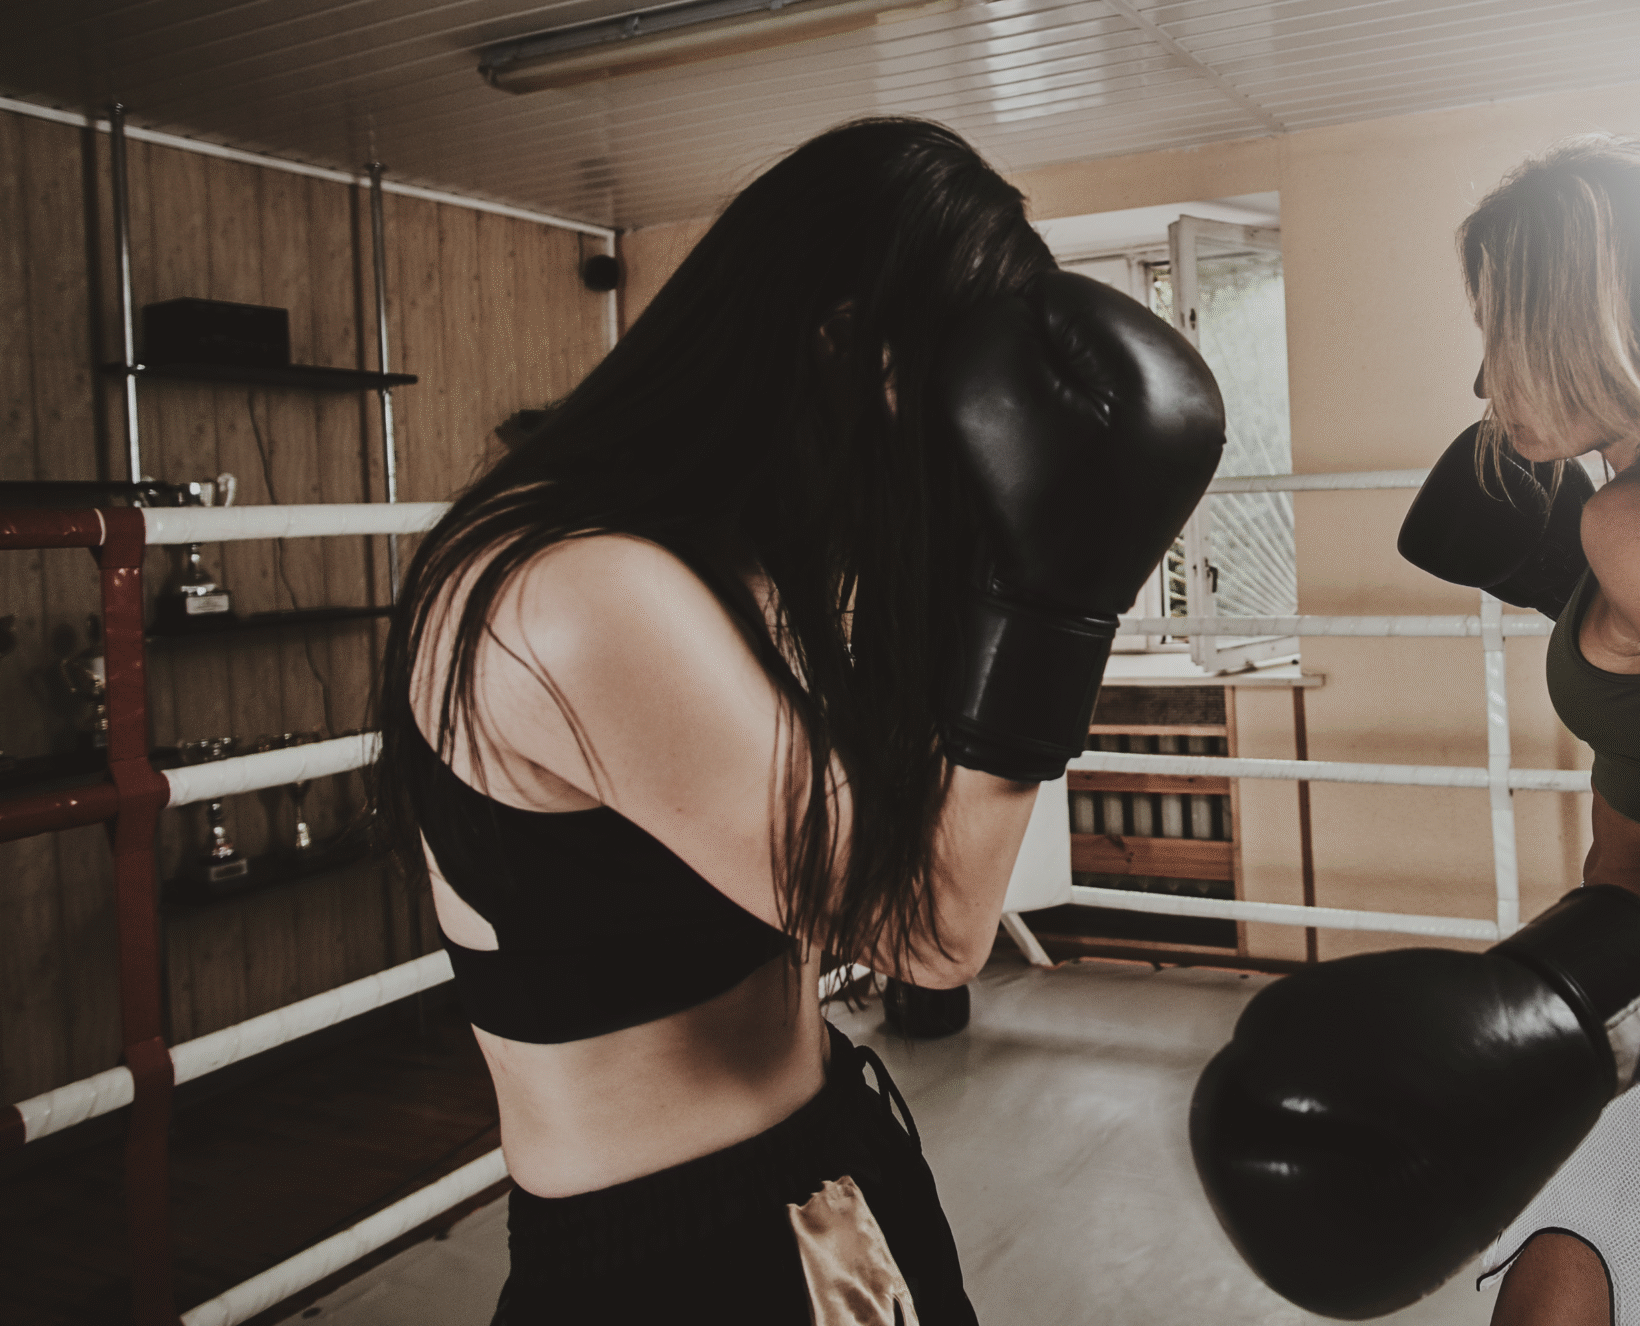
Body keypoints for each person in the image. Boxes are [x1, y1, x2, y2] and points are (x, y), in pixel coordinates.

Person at [374, 118, 1223, 1324]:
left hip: (819, 1171)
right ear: (841, 342)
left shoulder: (726, 560)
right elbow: (925, 929)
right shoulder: (578, 594)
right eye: (950, 393)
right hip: (690, 1258)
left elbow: (877, 830)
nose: (963, 442)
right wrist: (1054, 598)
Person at [1187, 135, 1640, 1326]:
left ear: (1590, 320)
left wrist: (1551, 1018)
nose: (1483, 380)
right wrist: (1599, 618)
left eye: (1501, 330)